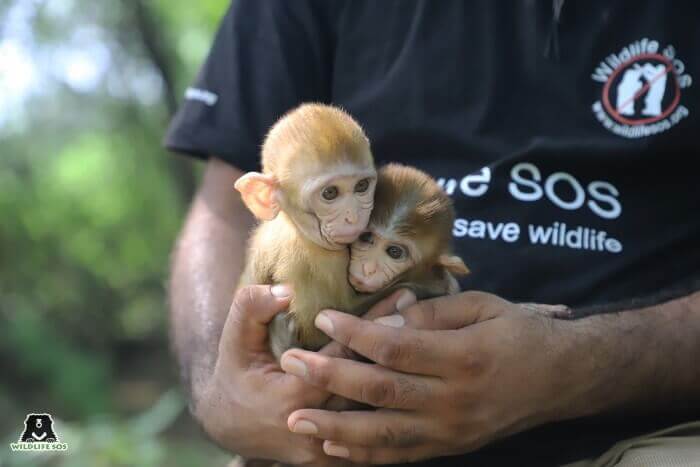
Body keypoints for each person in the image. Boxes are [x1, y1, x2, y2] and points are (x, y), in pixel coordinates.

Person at [164, 1, 700, 465]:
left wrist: (576, 366)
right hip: (332, 439)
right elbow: (222, 208)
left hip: (643, 431)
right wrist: (220, 390)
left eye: (361, 192)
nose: (353, 223)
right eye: (331, 197)